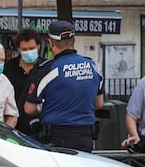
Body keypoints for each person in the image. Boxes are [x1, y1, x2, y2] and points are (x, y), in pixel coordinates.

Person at [24, 20, 103, 152]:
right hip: (86, 137)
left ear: (50, 42)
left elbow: (29, 108)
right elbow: (99, 104)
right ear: (74, 40)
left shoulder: (47, 69)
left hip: (56, 138)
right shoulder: (92, 66)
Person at [3, 28, 45, 136]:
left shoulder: (46, 67)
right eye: (24, 49)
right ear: (18, 49)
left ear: (38, 46)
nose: (28, 52)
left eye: (31, 48)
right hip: (13, 125)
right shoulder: (9, 67)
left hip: (38, 126)